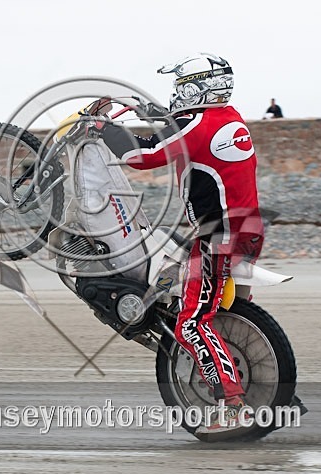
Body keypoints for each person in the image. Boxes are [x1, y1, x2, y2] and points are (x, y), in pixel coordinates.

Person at [100, 53, 263, 434]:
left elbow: (144, 156)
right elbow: (176, 130)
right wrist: (150, 113)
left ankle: (234, 404)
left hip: (218, 237)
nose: (177, 93)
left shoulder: (199, 125)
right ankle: (265, 386)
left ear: (198, 86)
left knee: (191, 321)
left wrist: (105, 130)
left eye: (181, 86)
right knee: (228, 313)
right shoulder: (228, 118)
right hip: (247, 230)